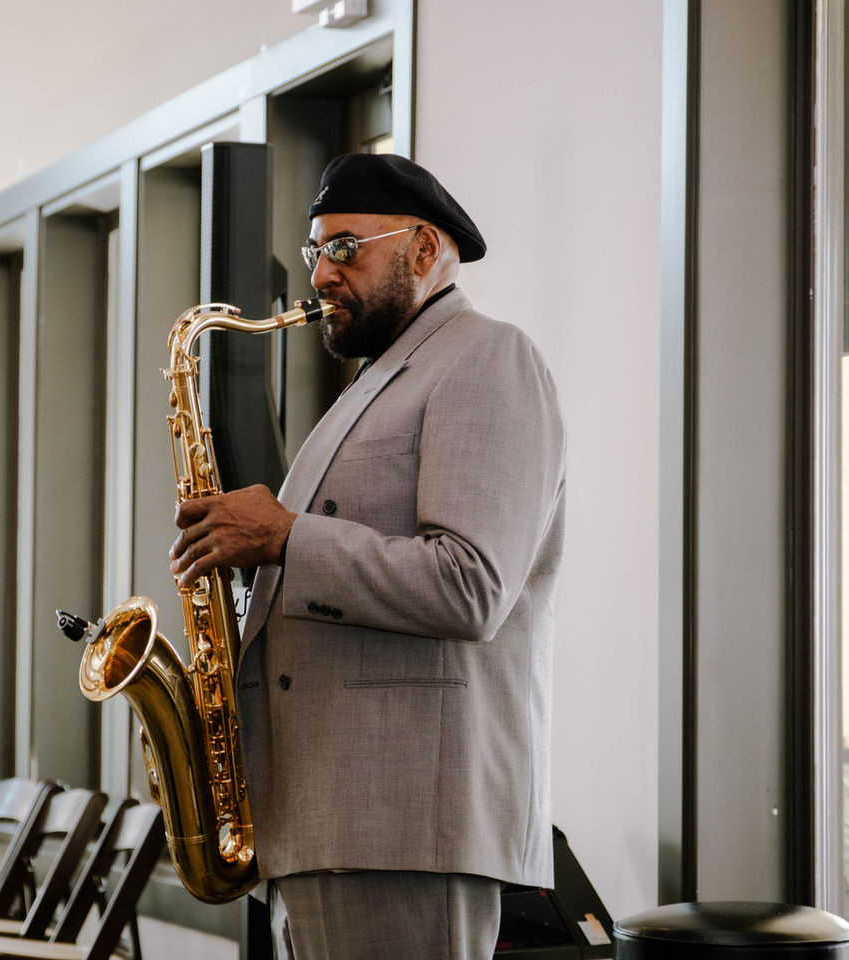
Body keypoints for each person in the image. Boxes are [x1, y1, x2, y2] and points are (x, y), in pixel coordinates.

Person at [169, 153, 566, 960]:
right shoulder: (375, 382)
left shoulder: (488, 359)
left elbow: (471, 585)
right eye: (315, 251)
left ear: (424, 251)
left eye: (345, 247)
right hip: (330, 822)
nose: (320, 274)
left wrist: (283, 536)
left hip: (402, 826)